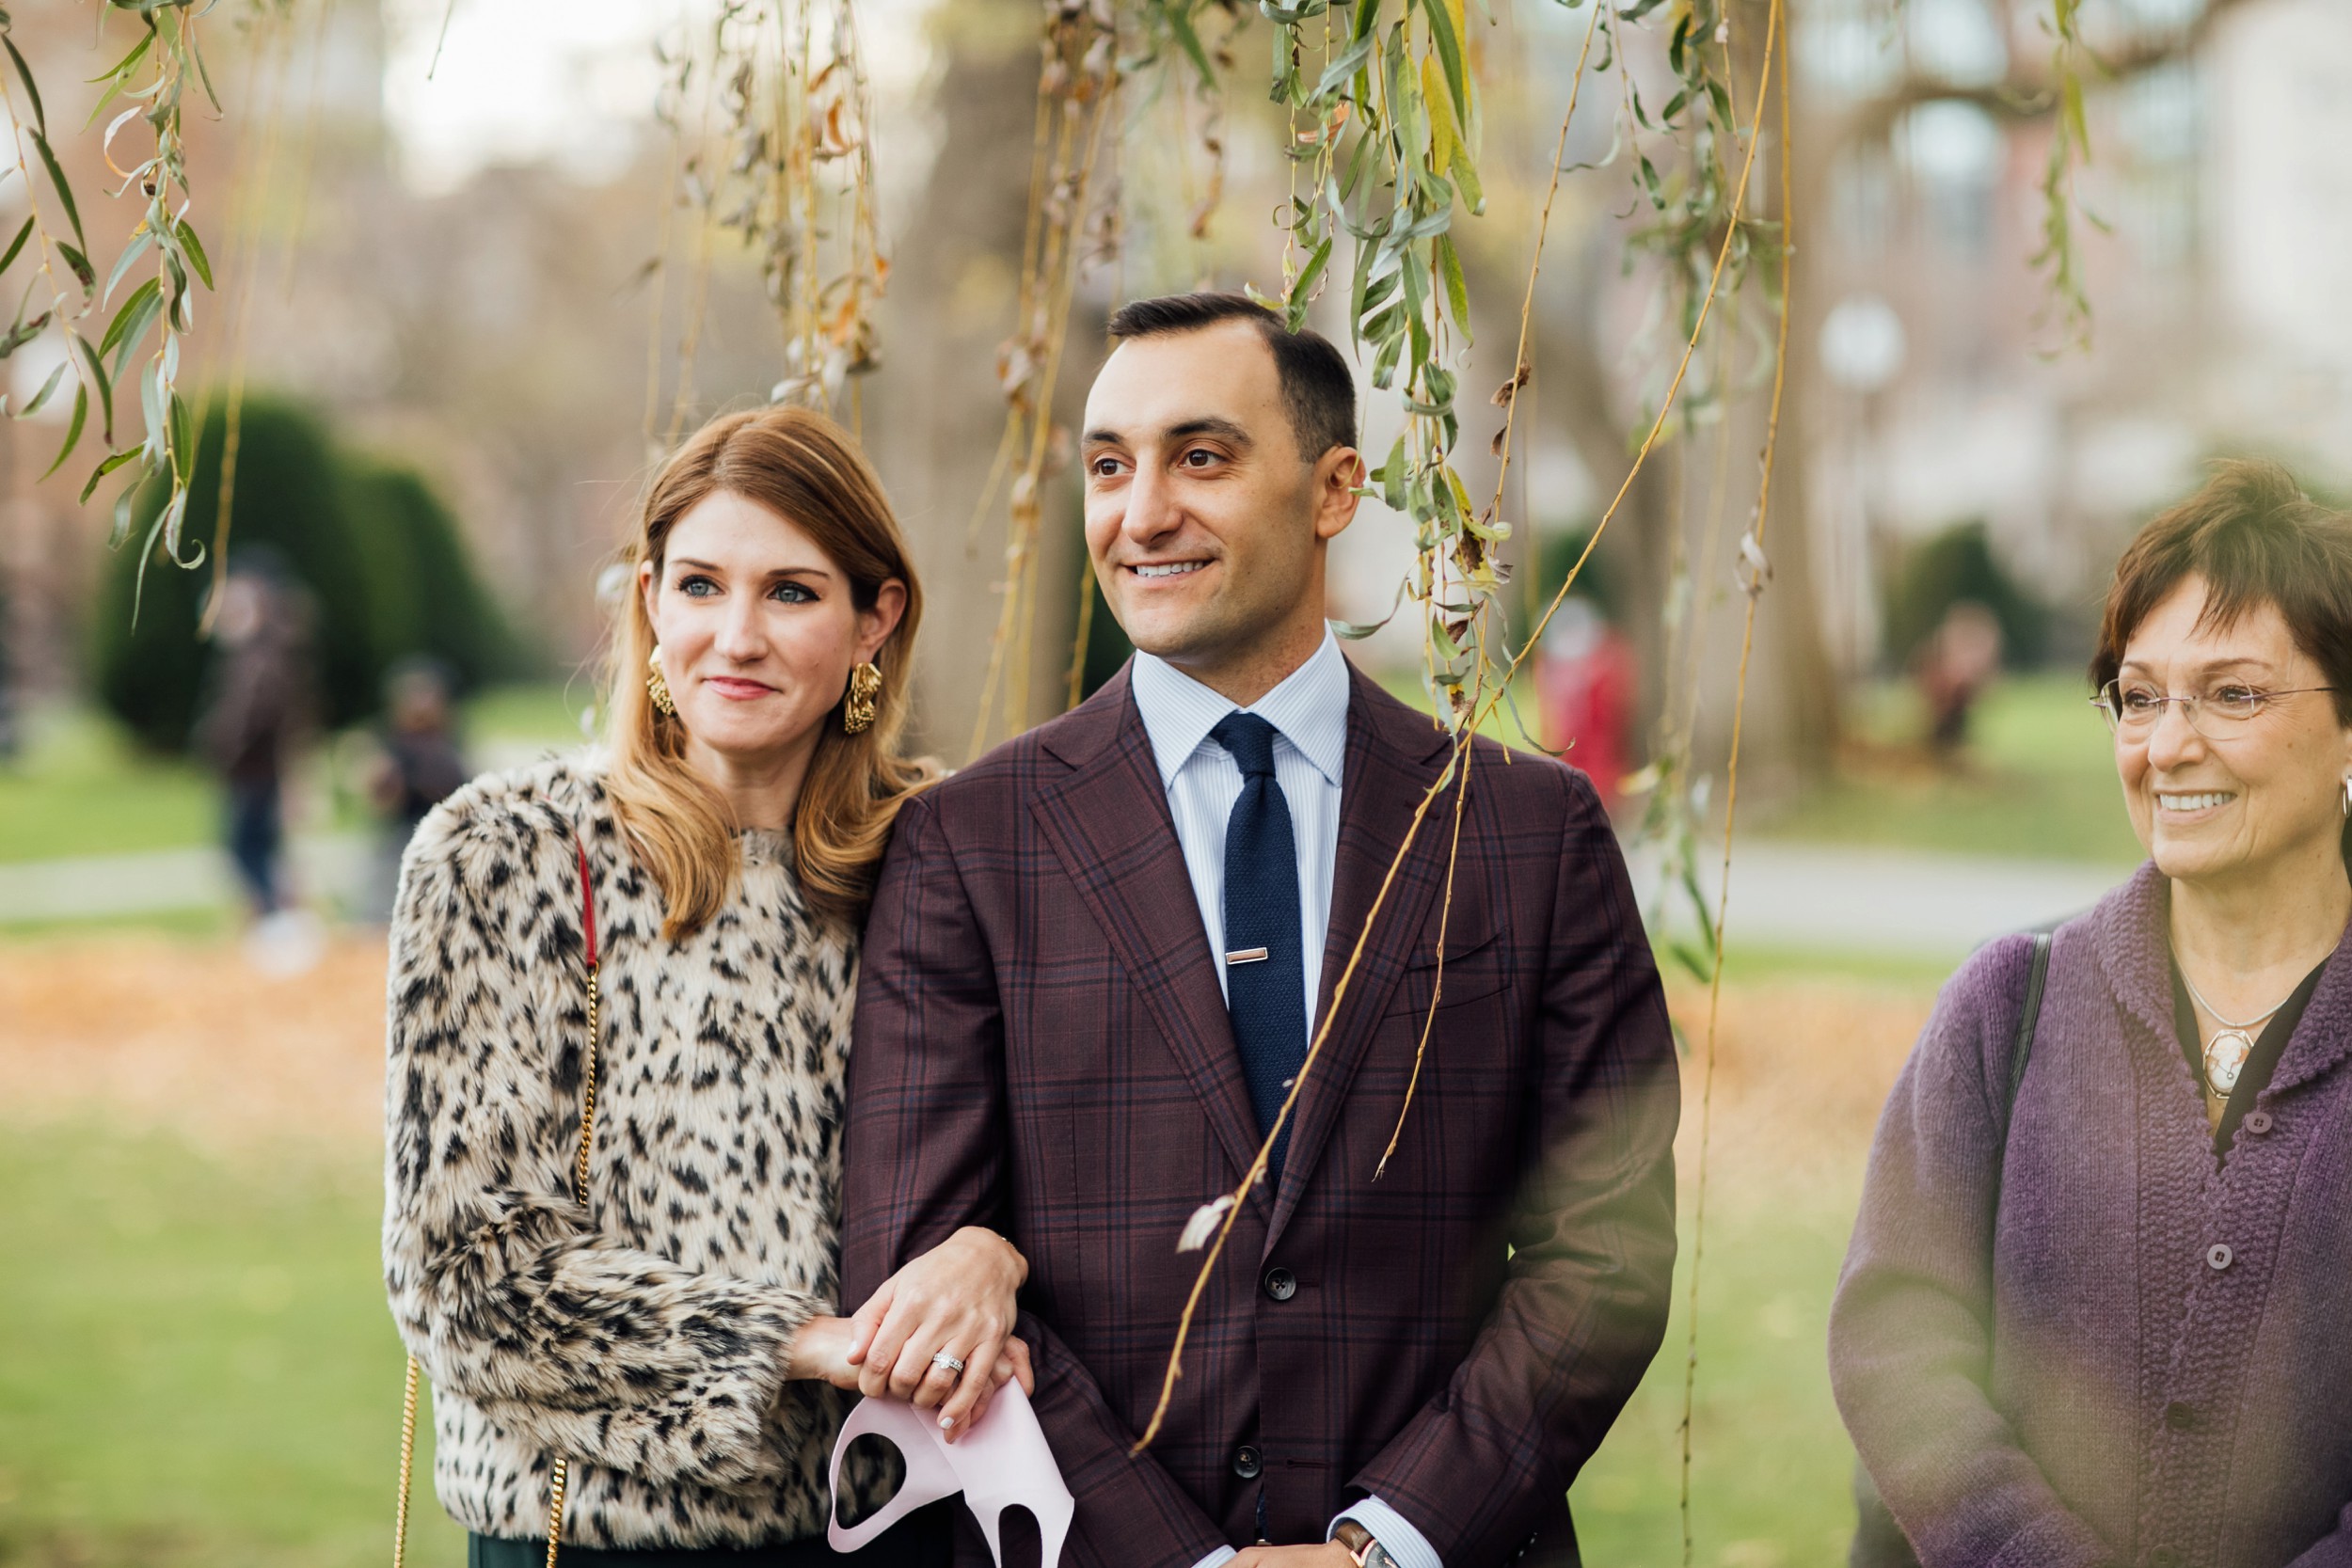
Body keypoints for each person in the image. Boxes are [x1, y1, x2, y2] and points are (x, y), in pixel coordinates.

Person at [841, 293, 1680, 1568]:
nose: (1143, 510)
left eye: (1202, 455)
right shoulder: (967, 845)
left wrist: (1385, 1541)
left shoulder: (1528, 832)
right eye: (1110, 465)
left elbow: (1606, 1247)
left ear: (1335, 487)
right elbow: (917, 1271)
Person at [384, 405, 1032, 1566]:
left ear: (874, 619)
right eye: (699, 586)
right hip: (592, 1534)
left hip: (890, 1526)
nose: (736, 635)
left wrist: (994, 1252)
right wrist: (795, 1339)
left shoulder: (945, 861)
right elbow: (464, 1274)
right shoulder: (504, 852)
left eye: (791, 591)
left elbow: (1050, 1161)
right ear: (647, 600)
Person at [1831, 460, 2352, 1568]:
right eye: (2140, 692)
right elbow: (1894, 1335)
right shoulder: (2004, 1005)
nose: (2166, 744)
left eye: (2234, 692)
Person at [195, 554, 315, 917]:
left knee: (249, 849)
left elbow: (255, 718)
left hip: (256, 771)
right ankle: (277, 918)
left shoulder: (262, 659)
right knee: (261, 849)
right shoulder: (262, 653)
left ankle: (275, 920)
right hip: (256, 770)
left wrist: (223, 747)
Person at [361, 657, 471, 923]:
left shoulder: (448, 745)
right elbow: (380, 797)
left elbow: (456, 788)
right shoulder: (393, 743)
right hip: (402, 834)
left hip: (441, 838)